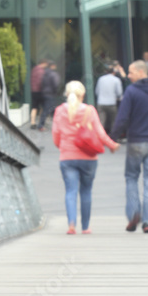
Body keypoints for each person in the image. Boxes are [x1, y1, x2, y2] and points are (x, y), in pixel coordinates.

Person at [52, 81, 119, 235]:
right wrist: (112, 145)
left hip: (67, 157)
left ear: (67, 95)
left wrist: (62, 148)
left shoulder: (59, 111)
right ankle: (86, 227)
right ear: (83, 95)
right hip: (89, 158)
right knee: (86, 191)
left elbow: (56, 135)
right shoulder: (89, 111)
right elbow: (100, 133)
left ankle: (71, 224)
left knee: (70, 191)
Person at [111, 60, 148, 234]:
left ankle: (133, 214)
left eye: (130, 72)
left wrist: (112, 138)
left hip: (135, 141)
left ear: (140, 72)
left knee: (131, 177)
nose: (128, 76)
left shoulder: (132, 92)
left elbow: (122, 118)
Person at [94, 63, 123, 136]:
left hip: (101, 103)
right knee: (113, 121)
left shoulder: (101, 79)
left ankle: (100, 137)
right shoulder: (116, 80)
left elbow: (97, 91)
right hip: (112, 103)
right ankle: (113, 137)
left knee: (101, 121)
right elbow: (119, 93)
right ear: (114, 72)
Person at [36, 60, 60, 131]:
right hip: (51, 94)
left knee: (49, 109)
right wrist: (55, 92)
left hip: (44, 93)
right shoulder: (53, 74)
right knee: (48, 110)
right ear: (52, 66)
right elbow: (56, 84)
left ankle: (56, 125)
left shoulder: (44, 73)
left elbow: (41, 83)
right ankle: (41, 125)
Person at [29, 59, 47, 129]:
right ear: (42, 63)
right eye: (45, 64)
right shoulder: (41, 71)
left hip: (34, 91)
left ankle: (32, 123)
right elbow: (41, 82)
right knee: (42, 108)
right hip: (40, 91)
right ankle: (40, 122)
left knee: (34, 107)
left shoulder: (34, 70)